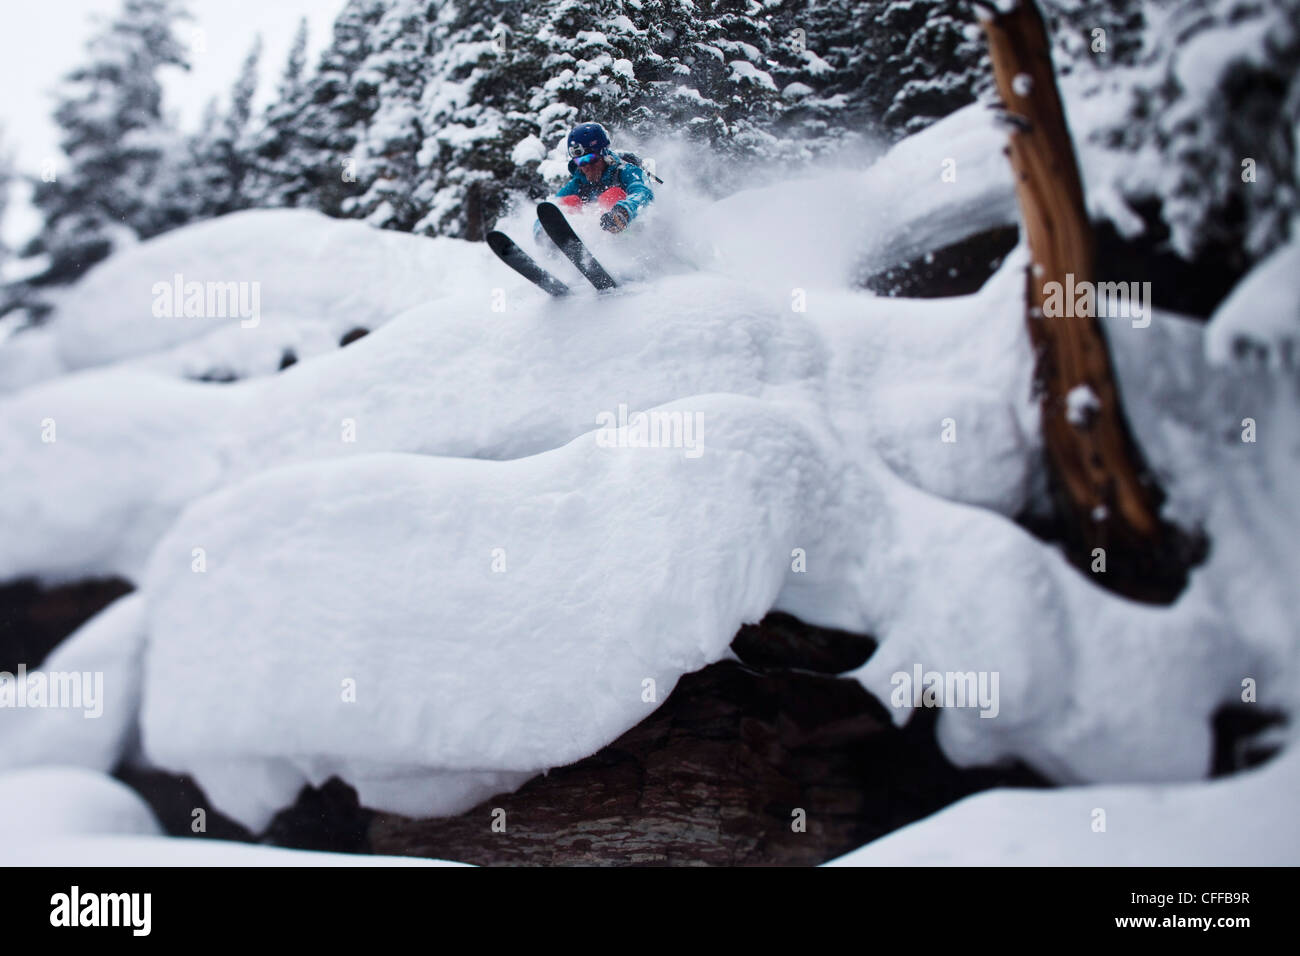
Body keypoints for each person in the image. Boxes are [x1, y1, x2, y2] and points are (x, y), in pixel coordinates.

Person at [538, 122, 654, 237]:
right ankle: (566, 246)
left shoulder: (624, 171)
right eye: (580, 161)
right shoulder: (578, 182)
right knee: (568, 202)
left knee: (612, 195)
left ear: (603, 154)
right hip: (595, 239)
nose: (586, 166)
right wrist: (542, 231)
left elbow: (643, 192)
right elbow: (550, 208)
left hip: (635, 235)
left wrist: (624, 211)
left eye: (590, 159)